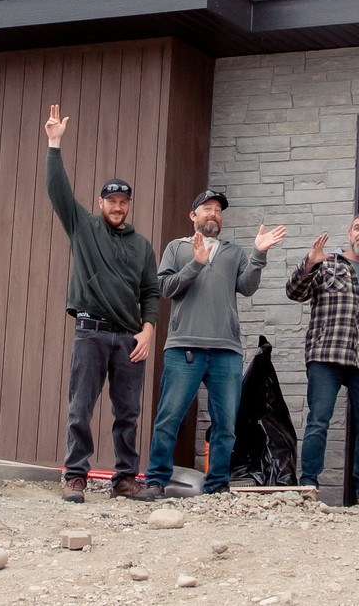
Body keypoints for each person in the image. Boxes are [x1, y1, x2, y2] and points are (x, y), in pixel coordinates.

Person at [43, 104, 159, 503]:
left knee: (128, 413)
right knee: (81, 408)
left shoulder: (142, 246)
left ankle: (125, 479)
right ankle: (75, 475)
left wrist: (148, 330)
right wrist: (54, 144)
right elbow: (58, 191)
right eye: (112, 200)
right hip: (90, 332)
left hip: (129, 339)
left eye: (124, 201)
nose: (118, 206)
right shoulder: (83, 227)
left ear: (129, 205)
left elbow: (151, 292)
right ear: (101, 202)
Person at [144, 191, 286, 498]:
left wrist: (258, 254)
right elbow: (165, 287)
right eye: (207, 208)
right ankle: (156, 479)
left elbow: (247, 287)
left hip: (226, 350)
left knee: (226, 424)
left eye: (218, 210)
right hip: (184, 347)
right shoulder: (176, 248)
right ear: (193, 215)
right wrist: (195, 264)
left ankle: (218, 484)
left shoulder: (234, 252)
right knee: (169, 417)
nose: (214, 214)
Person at [286, 212, 359, 507]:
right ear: (349, 233)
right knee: (318, 421)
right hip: (327, 354)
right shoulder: (328, 263)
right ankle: (309, 484)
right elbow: (294, 292)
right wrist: (309, 263)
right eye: (358, 228)